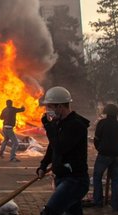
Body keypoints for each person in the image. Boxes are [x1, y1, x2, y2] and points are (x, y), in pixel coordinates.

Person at [36, 86, 90, 215]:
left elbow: (60, 148)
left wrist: (49, 127)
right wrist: (43, 165)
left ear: (60, 106)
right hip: (62, 177)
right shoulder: (59, 123)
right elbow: (53, 146)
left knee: (49, 212)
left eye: (50, 107)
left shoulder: (76, 125)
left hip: (74, 180)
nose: (48, 110)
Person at [92, 104, 118, 211]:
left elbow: (96, 139)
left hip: (103, 155)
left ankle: (98, 202)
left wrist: (100, 149)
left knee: (97, 178)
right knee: (115, 180)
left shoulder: (102, 123)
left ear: (106, 112)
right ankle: (115, 205)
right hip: (116, 156)